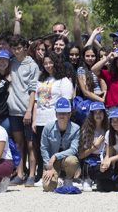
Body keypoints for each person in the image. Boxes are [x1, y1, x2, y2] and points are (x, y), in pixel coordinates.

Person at [31, 52, 75, 183]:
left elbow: (67, 103)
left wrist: (63, 120)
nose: (48, 66)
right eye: (45, 63)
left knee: (55, 149)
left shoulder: (64, 81)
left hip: (55, 120)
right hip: (40, 119)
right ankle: (42, 175)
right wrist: (34, 120)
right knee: (41, 149)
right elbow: (36, 102)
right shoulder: (40, 80)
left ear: (56, 63)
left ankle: (58, 175)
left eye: (50, 63)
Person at [38, 98, 81, 192]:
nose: (62, 115)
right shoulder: (48, 127)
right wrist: (48, 167)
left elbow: (73, 149)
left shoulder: (76, 128)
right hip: (51, 163)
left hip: (66, 160)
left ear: (70, 114)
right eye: (60, 113)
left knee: (72, 161)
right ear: (56, 114)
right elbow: (44, 148)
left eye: (65, 113)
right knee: (47, 187)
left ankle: (68, 179)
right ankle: (59, 180)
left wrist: (56, 156)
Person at [76, 102, 106, 191]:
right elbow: (81, 155)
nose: (98, 115)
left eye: (100, 112)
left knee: (105, 187)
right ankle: (87, 179)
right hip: (90, 160)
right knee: (88, 163)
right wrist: (94, 147)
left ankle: (99, 180)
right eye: (95, 113)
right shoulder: (86, 130)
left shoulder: (108, 128)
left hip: (105, 158)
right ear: (91, 115)